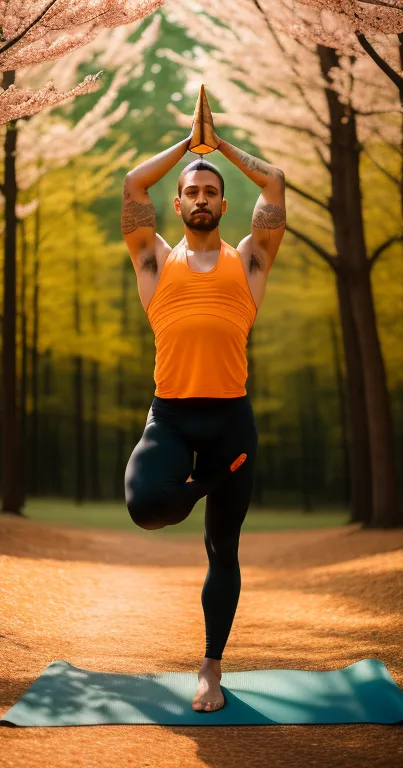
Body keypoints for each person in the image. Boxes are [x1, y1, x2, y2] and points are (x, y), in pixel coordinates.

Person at [122, 128, 286, 713]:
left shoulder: (250, 260)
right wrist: (187, 145)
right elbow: (133, 182)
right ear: (178, 203)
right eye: (192, 191)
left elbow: (276, 184)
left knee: (225, 549)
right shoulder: (154, 259)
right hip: (170, 417)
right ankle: (207, 485)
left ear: (222, 203)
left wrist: (222, 151)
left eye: (210, 193)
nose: (200, 199)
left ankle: (211, 668)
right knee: (145, 505)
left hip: (229, 422)